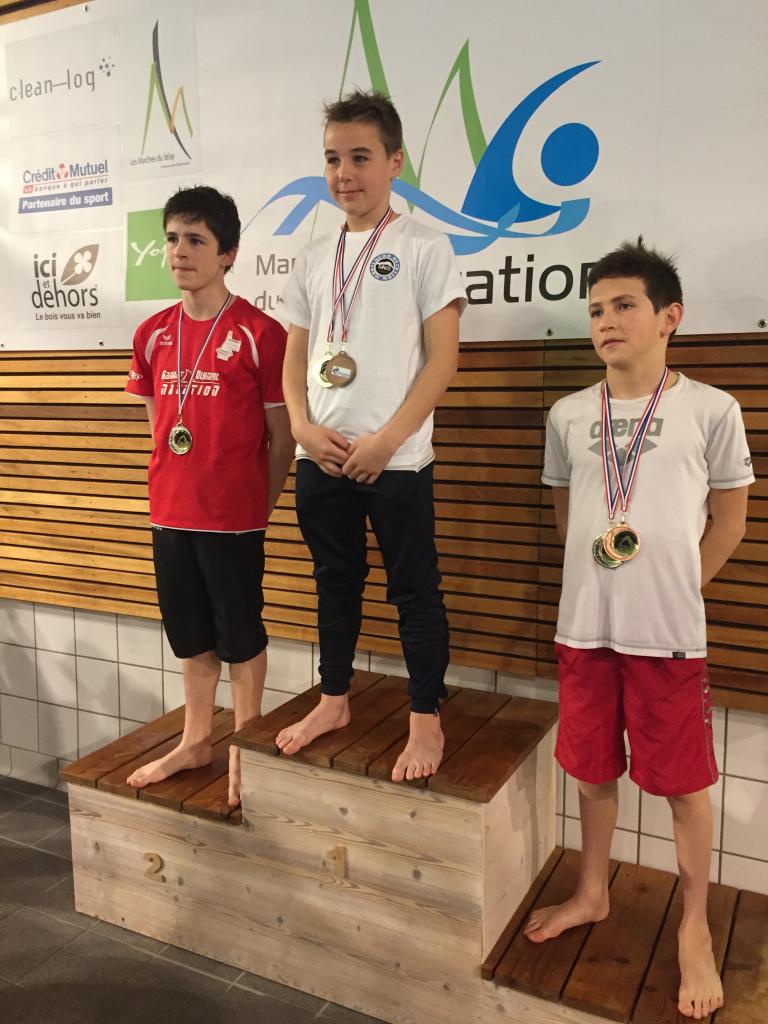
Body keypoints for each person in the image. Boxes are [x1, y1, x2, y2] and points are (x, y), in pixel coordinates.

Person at [527, 238, 754, 1021]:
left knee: (684, 787)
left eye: (624, 305)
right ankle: (593, 890)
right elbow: (568, 520)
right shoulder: (567, 415)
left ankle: (695, 926)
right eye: (595, 309)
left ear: (669, 317)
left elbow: (730, 521)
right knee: (593, 771)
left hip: (669, 639)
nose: (606, 321)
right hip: (585, 630)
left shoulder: (712, 410)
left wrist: (672, 590)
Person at [277, 90, 466, 782]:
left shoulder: (424, 246)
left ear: (395, 162)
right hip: (322, 455)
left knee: (414, 590)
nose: (344, 173)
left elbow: (444, 359)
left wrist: (388, 441)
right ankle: (334, 699)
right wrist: (301, 426)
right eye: (333, 159)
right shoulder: (311, 255)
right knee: (335, 582)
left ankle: (425, 716)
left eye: (360, 157)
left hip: (397, 458)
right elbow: (294, 359)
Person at [124, 185, 293, 806]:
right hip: (171, 513)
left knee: (240, 635)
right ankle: (196, 740)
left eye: (195, 240)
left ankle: (246, 750)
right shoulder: (151, 334)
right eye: (172, 238)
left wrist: (256, 506)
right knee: (190, 635)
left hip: (234, 519)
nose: (179, 251)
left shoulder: (260, 333)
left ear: (228, 254)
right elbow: (162, 431)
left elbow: (282, 437)